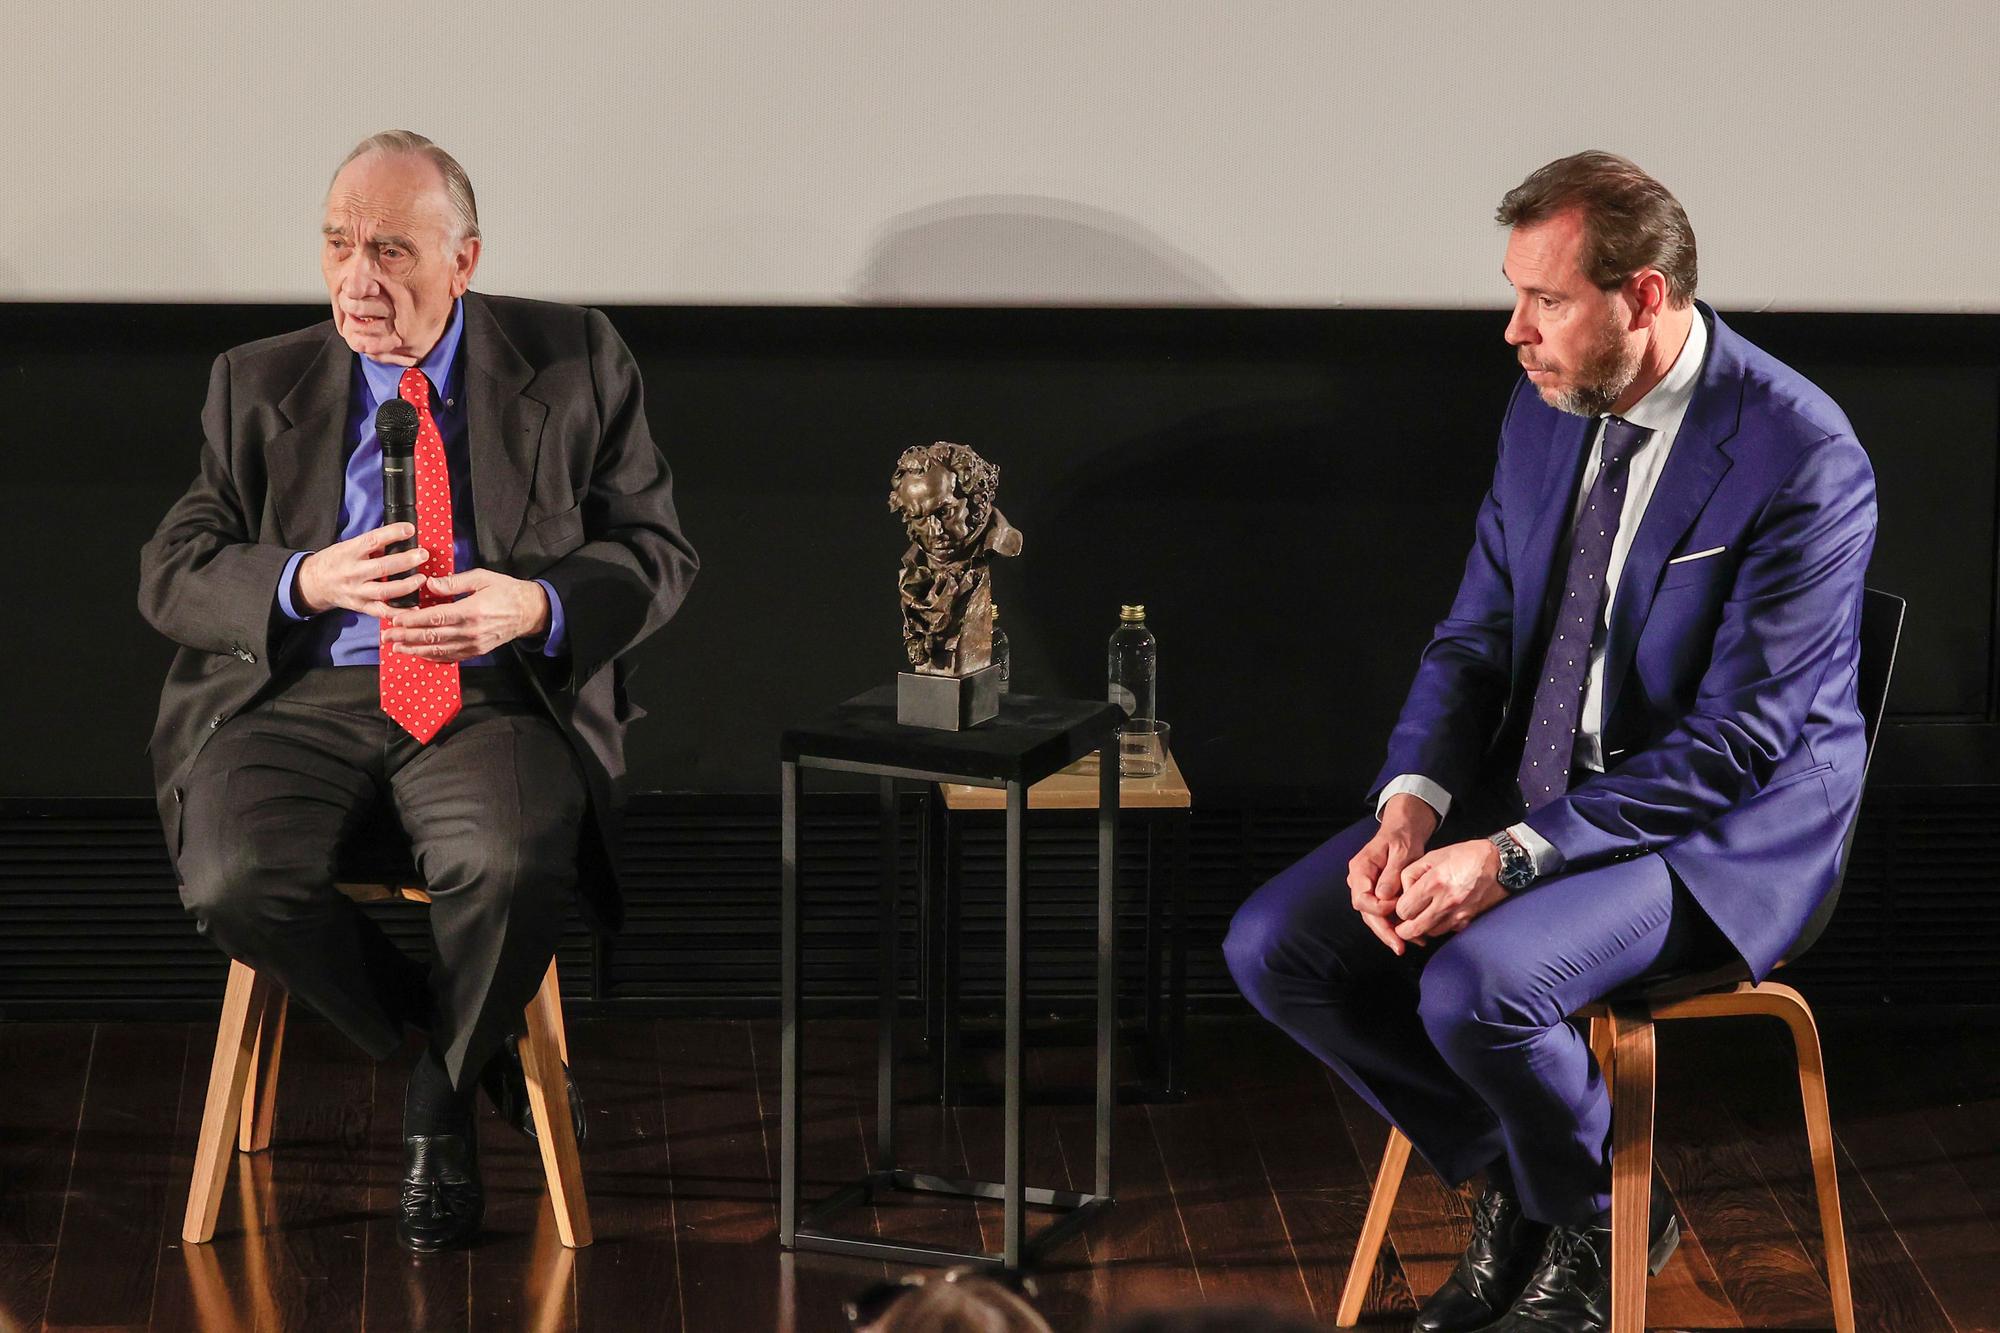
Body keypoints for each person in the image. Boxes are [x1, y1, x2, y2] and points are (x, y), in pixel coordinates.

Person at [1224, 151, 1875, 1333]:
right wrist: (1412, 804)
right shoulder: (1545, 410)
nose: (1513, 331)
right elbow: (1472, 636)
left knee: (1475, 988)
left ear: (1641, 297)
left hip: (1715, 834)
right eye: (1513, 293)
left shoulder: (1800, 454)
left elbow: (1738, 741)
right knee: (1277, 947)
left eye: (1546, 300)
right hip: (1535, 786)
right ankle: (1530, 1186)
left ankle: (1587, 1225)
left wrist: (1512, 855)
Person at [139, 130, 698, 1252]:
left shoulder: (577, 358)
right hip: (303, 696)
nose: (357, 280)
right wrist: (303, 578)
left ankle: (440, 1108)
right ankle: (448, 1051)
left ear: (465, 258)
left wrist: (534, 607)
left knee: (509, 863)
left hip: (489, 693)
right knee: (235, 879)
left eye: (391, 250)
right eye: (339, 244)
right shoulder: (257, 382)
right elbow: (171, 570)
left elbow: (657, 548)